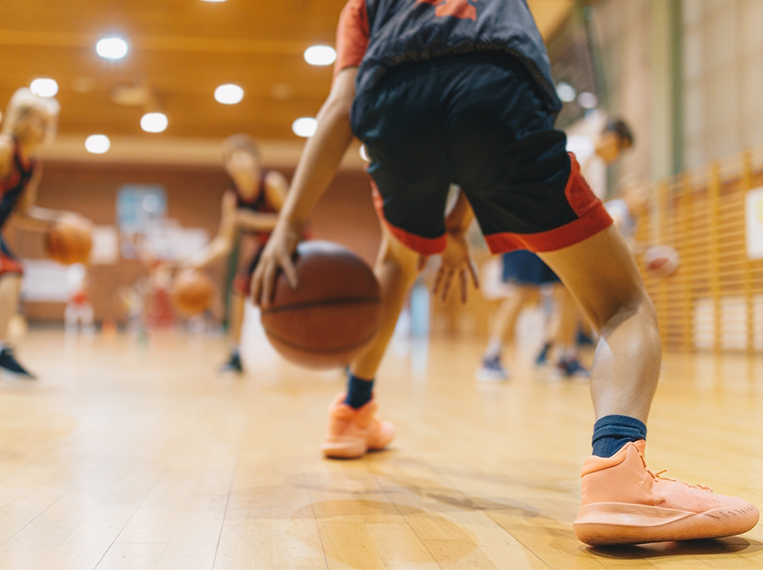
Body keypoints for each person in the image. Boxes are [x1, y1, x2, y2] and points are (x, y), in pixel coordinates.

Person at [251, 0, 758, 545]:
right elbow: (476, 102)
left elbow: (340, 108)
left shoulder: (364, 5)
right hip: (496, 98)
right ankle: (617, 470)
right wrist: (457, 220)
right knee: (621, 305)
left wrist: (291, 222)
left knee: (397, 262)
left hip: (394, 111)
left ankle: (351, 410)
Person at [477, 118, 636, 381]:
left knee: (569, 292)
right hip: (531, 224)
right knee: (522, 291)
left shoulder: (595, 166)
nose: (617, 158)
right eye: (620, 150)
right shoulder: (578, 148)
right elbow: (562, 194)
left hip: (557, 233)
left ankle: (564, 357)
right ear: (611, 139)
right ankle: (491, 357)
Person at [0, 88, 90, 378]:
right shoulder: (2, 147)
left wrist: (62, 219)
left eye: (50, 123)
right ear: (20, 120)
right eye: (40, 121)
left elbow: (24, 214)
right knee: (12, 271)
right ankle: (0, 349)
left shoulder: (32, 166)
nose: (47, 129)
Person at [187, 135, 288, 374]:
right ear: (227, 167)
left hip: (293, 244)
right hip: (266, 248)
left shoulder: (271, 183)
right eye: (232, 159)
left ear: (256, 161)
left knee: (310, 299)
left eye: (243, 156)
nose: (238, 161)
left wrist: (255, 221)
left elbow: (293, 222)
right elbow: (224, 241)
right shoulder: (232, 199)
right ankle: (236, 354)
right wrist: (196, 262)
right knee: (238, 290)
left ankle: (344, 357)